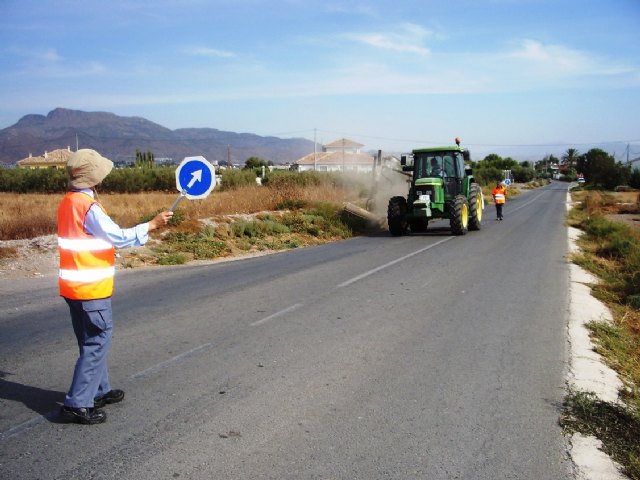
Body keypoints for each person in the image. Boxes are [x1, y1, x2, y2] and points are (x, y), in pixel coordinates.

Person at [58, 149, 173, 425]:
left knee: (90, 340)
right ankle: (77, 403)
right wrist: (152, 225)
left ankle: (99, 390)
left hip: (73, 287)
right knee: (97, 341)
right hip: (90, 289)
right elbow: (118, 238)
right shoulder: (89, 207)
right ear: (95, 178)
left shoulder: (68, 202)